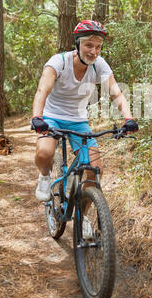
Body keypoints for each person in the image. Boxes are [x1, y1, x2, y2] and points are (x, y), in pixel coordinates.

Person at [31, 20, 139, 201]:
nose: (94, 51)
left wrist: (129, 119)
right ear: (77, 44)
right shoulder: (59, 62)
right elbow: (43, 90)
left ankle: (83, 218)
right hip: (52, 116)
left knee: (95, 172)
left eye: (98, 47)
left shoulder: (99, 65)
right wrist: (37, 117)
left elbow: (117, 94)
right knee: (44, 153)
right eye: (89, 45)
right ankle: (44, 176)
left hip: (79, 120)